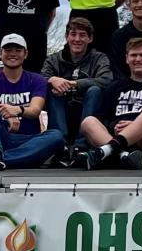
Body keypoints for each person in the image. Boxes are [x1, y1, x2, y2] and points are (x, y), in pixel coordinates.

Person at [73, 37, 142, 170]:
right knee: (88, 121)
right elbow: (101, 117)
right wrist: (114, 126)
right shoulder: (113, 88)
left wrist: (135, 127)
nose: (138, 59)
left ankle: (108, 151)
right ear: (126, 58)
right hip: (118, 136)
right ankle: (124, 156)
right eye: (133, 55)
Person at [0, 34, 64, 171]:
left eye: (18, 50)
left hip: (29, 140)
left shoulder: (36, 80)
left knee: (56, 136)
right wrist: (5, 111)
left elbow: (35, 110)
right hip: (1, 137)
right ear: (0, 53)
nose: (12, 54)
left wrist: (18, 110)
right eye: (8, 50)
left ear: (25, 54)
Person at [40, 17, 113, 163]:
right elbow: (39, 79)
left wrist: (73, 84)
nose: (77, 39)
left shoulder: (99, 58)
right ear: (66, 37)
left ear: (90, 38)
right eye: (73, 34)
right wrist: (52, 80)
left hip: (89, 114)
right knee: (52, 89)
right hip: (62, 113)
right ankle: (62, 146)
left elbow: (106, 80)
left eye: (82, 35)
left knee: (94, 90)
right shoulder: (54, 59)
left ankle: (82, 146)